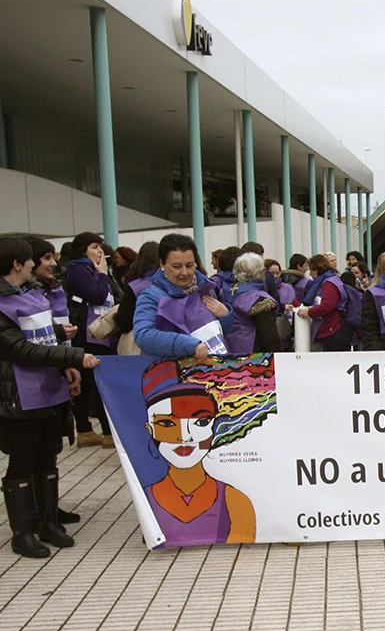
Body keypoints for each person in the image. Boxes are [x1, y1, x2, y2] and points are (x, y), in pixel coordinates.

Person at [0, 237, 99, 558]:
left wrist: (62, 354)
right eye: (32, 260)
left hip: (47, 390)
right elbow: (20, 349)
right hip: (18, 396)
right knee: (22, 461)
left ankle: (48, 522)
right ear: (17, 264)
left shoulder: (28, 295)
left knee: (47, 458)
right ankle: (22, 533)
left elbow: (37, 336)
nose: (36, 265)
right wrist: (73, 358)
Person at [140, 360, 255, 546]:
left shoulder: (235, 500)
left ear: (214, 427)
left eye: (200, 422)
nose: (184, 437)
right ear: (150, 429)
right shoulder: (145, 500)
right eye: (168, 424)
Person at [22, 236, 84, 525]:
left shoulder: (50, 290)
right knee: (30, 452)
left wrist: (67, 365)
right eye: (45, 258)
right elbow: (26, 343)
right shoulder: (18, 299)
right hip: (28, 385)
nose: (51, 264)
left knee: (51, 447)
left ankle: (49, 508)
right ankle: (33, 516)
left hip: (56, 373)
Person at [133, 234, 233, 359]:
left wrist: (225, 317)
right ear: (162, 264)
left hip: (212, 370)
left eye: (189, 265)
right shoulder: (150, 297)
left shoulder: (206, 289)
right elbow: (143, 335)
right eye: (177, 267)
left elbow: (219, 334)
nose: (184, 272)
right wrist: (190, 345)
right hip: (170, 373)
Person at [62, 232, 116, 448]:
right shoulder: (79, 270)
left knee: (93, 380)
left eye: (101, 246)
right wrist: (102, 274)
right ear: (83, 249)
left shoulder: (92, 269)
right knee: (92, 381)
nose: (100, 251)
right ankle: (95, 430)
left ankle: (94, 430)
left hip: (100, 332)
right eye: (95, 246)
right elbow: (97, 295)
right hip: (88, 333)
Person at [296, 253, 353, 352]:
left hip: (333, 329)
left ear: (317, 269)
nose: (310, 274)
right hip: (335, 328)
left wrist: (309, 312)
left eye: (311, 270)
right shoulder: (333, 280)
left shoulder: (328, 284)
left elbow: (328, 305)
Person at [226, 253, 282, 354]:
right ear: (259, 273)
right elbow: (269, 336)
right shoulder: (260, 300)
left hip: (229, 346)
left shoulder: (226, 291)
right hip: (252, 349)